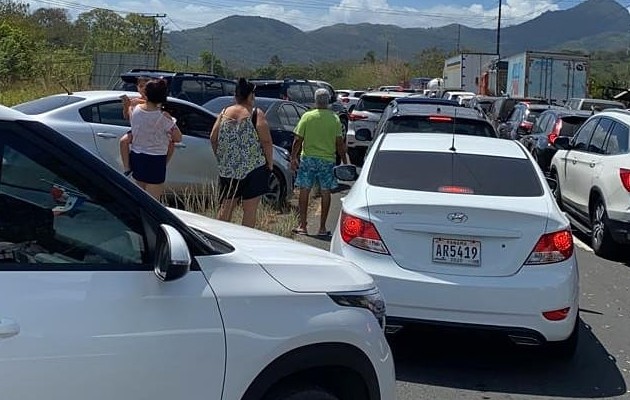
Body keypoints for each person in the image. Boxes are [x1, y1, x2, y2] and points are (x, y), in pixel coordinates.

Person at [210, 78, 274, 228]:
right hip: (253, 168)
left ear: (236, 96)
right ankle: (245, 241)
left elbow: (213, 137)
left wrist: (221, 157)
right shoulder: (255, 114)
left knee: (226, 206)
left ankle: (219, 236)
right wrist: (269, 163)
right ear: (251, 95)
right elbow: (266, 141)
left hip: (228, 169)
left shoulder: (224, 112)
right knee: (249, 210)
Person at [291, 88, 347, 237]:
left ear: (315, 101)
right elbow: (339, 143)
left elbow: (298, 139)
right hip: (327, 160)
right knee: (325, 192)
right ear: (328, 101)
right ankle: (322, 228)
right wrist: (345, 161)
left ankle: (303, 225)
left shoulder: (307, 117)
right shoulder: (334, 118)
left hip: (308, 158)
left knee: (304, 190)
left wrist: (293, 157)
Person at [127, 79, 183, 199]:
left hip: (137, 157)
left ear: (146, 94)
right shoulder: (163, 118)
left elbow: (131, 119)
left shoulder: (136, 110)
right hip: (156, 160)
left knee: (138, 199)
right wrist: (171, 120)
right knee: (152, 202)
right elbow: (178, 138)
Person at [120, 77, 175, 177]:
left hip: (152, 132)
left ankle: (164, 164)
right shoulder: (134, 102)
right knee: (123, 141)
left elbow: (154, 108)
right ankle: (127, 167)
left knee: (171, 144)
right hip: (138, 130)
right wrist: (126, 106)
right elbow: (127, 117)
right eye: (140, 86)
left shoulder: (152, 101)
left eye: (144, 86)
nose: (142, 89)